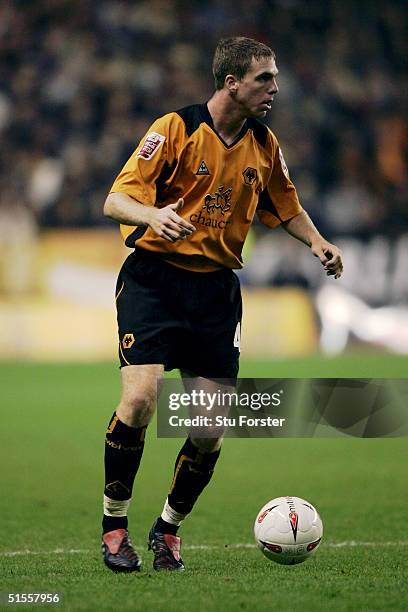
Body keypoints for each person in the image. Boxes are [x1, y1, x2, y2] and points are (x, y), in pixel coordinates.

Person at [101, 36, 343, 573]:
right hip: (155, 281)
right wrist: (152, 216)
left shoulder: (265, 144)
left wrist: (317, 241)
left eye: (274, 78)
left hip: (214, 293)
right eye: (265, 79)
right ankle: (114, 527)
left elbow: (287, 205)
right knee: (140, 400)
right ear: (231, 82)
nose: (274, 88)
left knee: (209, 426)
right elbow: (115, 198)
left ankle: (167, 530)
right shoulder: (175, 128)